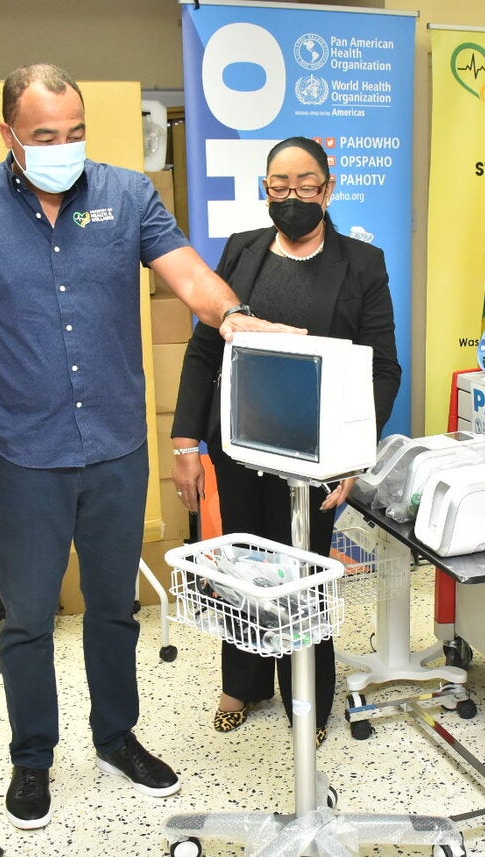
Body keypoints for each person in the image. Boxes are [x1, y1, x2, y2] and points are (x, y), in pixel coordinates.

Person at [0, 63, 298, 831]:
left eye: (77, 132)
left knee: (112, 605)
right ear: (9, 136)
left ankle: (116, 735)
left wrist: (236, 318)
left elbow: (189, 275)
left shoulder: (127, 195)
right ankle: (32, 757)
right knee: (27, 615)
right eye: (46, 137)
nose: (66, 148)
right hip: (26, 451)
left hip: (118, 443)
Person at [171, 136, 402, 744]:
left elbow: (384, 367)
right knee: (243, 568)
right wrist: (185, 442)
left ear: (328, 189)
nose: (292, 196)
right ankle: (240, 684)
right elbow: (204, 349)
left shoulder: (362, 265)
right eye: (280, 186)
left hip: (317, 456)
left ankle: (309, 694)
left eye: (305, 185)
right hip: (239, 444)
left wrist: (356, 455)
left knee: (304, 573)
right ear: (264, 190)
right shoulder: (242, 252)